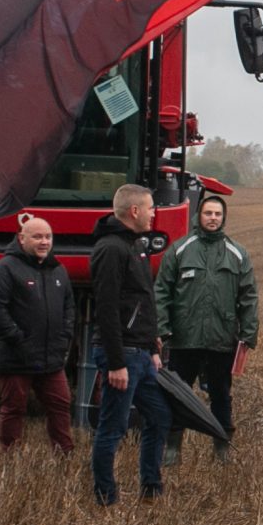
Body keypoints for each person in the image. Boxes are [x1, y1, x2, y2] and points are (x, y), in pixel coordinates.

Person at [155, 191, 258, 463]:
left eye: (217, 214)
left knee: (221, 395)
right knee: (178, 394)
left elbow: (248, 296)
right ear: (198, 216)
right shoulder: (179, 249)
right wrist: (162, 328)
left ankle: (222, 448)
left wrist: (248, 334)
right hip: (184, 338)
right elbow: (162, 291)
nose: (213, 218)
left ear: (224, 218)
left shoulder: (237, 253)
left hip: (221, 339)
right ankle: (172, 448)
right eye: (208, 213)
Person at [89, 183, 171, 505]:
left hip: (140, 353)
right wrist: (116, 363)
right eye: (150, 208)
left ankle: (151, 488)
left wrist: (152, 348)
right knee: (113, 427)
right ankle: (105, 497)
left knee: (160, 417)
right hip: (122, 354)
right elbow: (107, 309)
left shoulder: (136, 245)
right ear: (134, 211)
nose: (154, 214)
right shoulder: (111, 249)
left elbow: (142, 300)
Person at [0, 213, 76, 455]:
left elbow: (69, 306)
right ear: (22, 239)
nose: (44, 242)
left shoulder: (58, 270)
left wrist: (65, 336)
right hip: (16, 357)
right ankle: (10, 456)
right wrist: (17, 338)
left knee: (61, 405)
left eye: (48, 237)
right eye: (37, 237)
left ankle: (65, 455)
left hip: (51, 357)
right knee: (14, 408)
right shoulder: (4, 269)